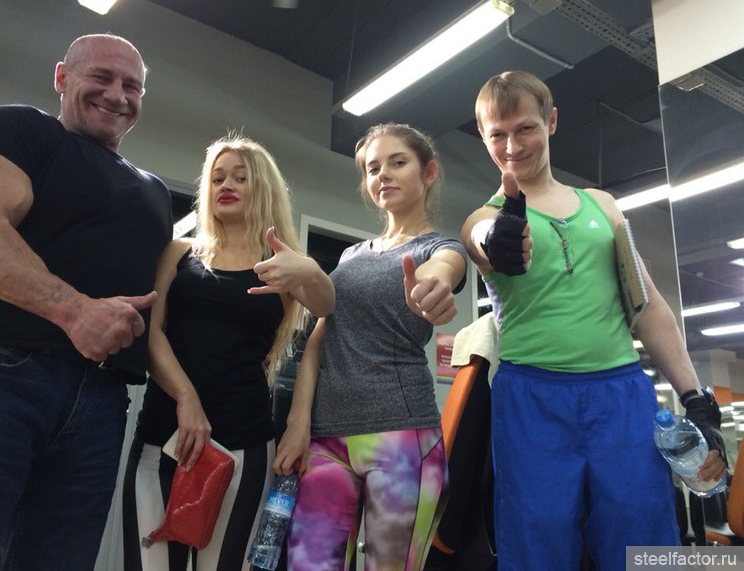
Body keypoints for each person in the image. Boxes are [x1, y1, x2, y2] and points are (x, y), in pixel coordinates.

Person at [460, 70, 726, 570]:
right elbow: (482, 238)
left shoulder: (602, 206)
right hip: (531, 400)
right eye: (498, 134)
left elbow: (649, 307)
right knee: (536, 545)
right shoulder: (481, 217)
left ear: (551, 121)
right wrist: (497, 239)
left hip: (619, 395)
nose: (512, 146)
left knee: (643, 537)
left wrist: (695, 399)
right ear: (483, 136)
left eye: (525, 128)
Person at [0, 34, 172, 570]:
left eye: (132, 85)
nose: (117, 95)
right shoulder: (16, 129)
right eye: (101, 77)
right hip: (2, 376)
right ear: (62, 77)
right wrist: (75, 311)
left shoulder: (155, 191)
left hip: (105, 400)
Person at [122, 134, 334, 571]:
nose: (227, 185)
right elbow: (151, 333)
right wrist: (186, 397)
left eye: (240, 177)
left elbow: (327, 306)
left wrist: (310, 269)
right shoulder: (178, 253)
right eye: (218, 178)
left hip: (243, 443)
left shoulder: (282, 265)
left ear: (263, 187)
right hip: (163, 438)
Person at [274, 123, 468, 570]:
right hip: (327, 438)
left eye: (398, 163)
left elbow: (446, 268)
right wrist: (299, 421)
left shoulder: (439, 246)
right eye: (373, 168)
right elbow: (321, 339)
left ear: (429, 172)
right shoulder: (351, 256)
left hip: (402, 437)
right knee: (309, 563)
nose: (383, 175)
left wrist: (434, 283)